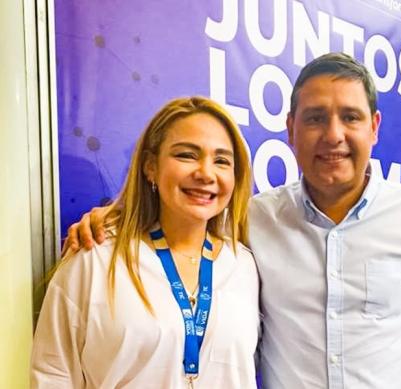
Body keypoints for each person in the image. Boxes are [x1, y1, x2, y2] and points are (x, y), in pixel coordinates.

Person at [64, 53, 401, 388]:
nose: (333, 135)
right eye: (316, 117)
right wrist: (112, 218)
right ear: (291, 130)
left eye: (350, 117)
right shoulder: (252, 220)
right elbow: (182, 222)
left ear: (373, 128)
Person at [31, 96, 260, 388]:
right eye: (186, 155)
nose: (205, 173)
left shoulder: (243, 265)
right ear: (150, 167)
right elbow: (52, 373)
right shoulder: (95, 257)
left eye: (221, 161)